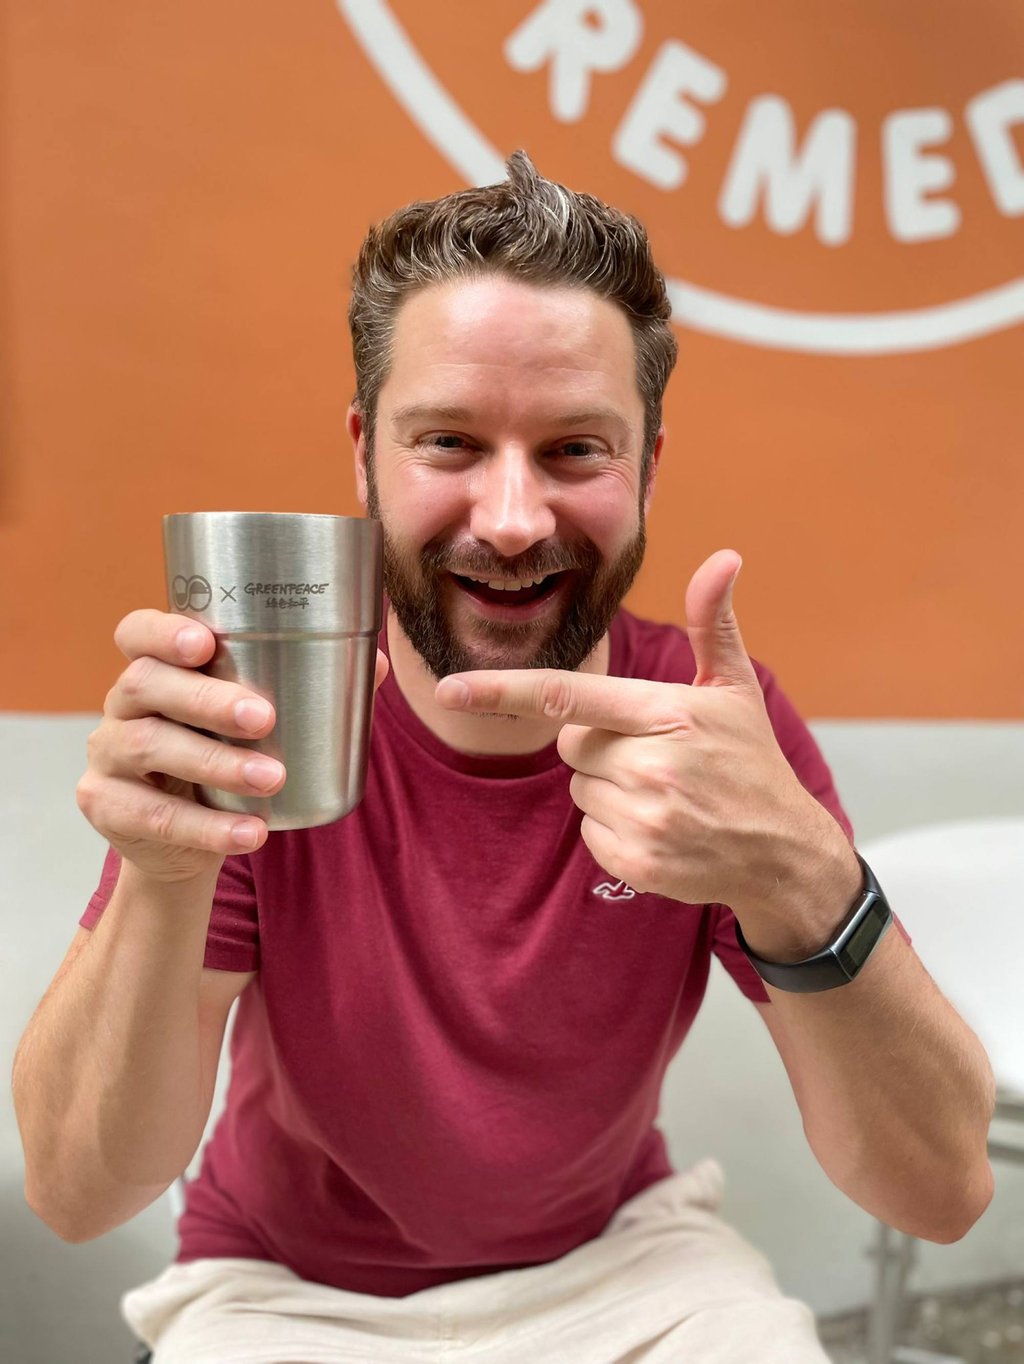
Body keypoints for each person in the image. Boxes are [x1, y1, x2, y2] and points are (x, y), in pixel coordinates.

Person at [13, 152, 995, 1364]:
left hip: (625, 1265)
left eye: (577, 447)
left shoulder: (702, 719)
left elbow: (940, 1194)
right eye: (451, 442)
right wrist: (161, 872)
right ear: (366, 448)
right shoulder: (258, 711)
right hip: (288, 1290)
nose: (515, 518)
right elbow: (77, 1190)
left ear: (649, 463)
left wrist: (804, 877)